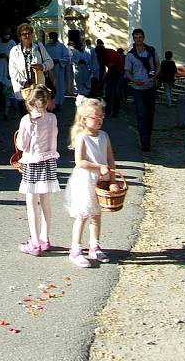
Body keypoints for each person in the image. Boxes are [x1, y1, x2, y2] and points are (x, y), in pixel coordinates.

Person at [64, 96, 119, 267]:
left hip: (101, 180)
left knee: (96, 214)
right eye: (95, 117)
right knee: (83, 214)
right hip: (85, 180)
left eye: (101, 116)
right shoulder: (82, 137)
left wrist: (112, 180)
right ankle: (76, 249)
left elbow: (111, 160)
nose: (100, 120)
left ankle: (94, 246)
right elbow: (80, 162)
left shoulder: (104, 136)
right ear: (84, 119)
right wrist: (99, 166)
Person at [16, 84, 60, 256]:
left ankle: (35, 242)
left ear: (30, 102)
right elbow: (53, 139)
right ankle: (45, 238)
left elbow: (21, 145)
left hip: (33, 162)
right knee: (46, 202)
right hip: (49, 161)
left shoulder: (26, 120)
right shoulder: (52, 119)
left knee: (31, 203)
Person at [124, 29, 159, 151]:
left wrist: (154, 77)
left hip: (150, 86)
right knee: (141, 114)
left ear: (143, 38)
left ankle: (148, 138)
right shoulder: (131, 55)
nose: (138, 39)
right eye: (136, 37)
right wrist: (133, 80)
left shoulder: (151, 51)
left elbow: (158, 66)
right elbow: (127, 71)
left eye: (140, 37)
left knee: (150, 114)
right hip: (137, 87)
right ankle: (144, 141)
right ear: (133, 39)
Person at [8, 23, 54, 115]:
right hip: (24, 90)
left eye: (29, 33)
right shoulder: (14, 50)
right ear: (20, 37)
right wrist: (24, 82)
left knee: (40, 116)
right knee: (25, 117)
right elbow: (12, 71)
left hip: (38, 87)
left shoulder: (39, 47)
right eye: (24, 34)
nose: (27, 36)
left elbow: (50, 62)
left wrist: (42, 66)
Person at [45, 32, 71, 112]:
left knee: (58, 87)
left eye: (53, 37)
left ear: (56, 38)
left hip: (58, 71)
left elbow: (67, 58)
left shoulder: (61, 47)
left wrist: (58, 60)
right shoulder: (46, 47)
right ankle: (48, 104)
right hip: (49, 71)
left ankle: (58, 104)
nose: (51, 39)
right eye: (50, 37)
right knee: (49, 87)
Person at [99, 44, 125, 117]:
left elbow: (110, 70)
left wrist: (102, 82)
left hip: (119, 71)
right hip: (112, 71)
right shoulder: (101, 56)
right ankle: (108, 111)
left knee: (116, 92)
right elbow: (102, 69)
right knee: (108, 91)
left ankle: (115, 112)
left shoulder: (110, 54)